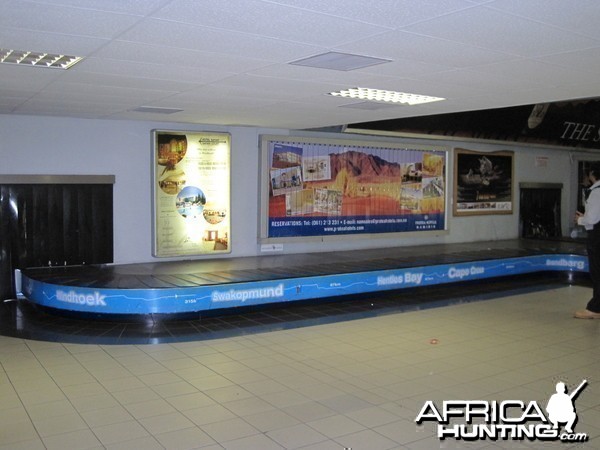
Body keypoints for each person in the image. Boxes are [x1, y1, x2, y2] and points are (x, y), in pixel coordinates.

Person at [575, 162, 600, 319]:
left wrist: (580, 220)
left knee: (597, 272)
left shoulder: (596, 193)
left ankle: (595, 308)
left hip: (597, 237)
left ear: (592, 174)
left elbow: (593, 218)